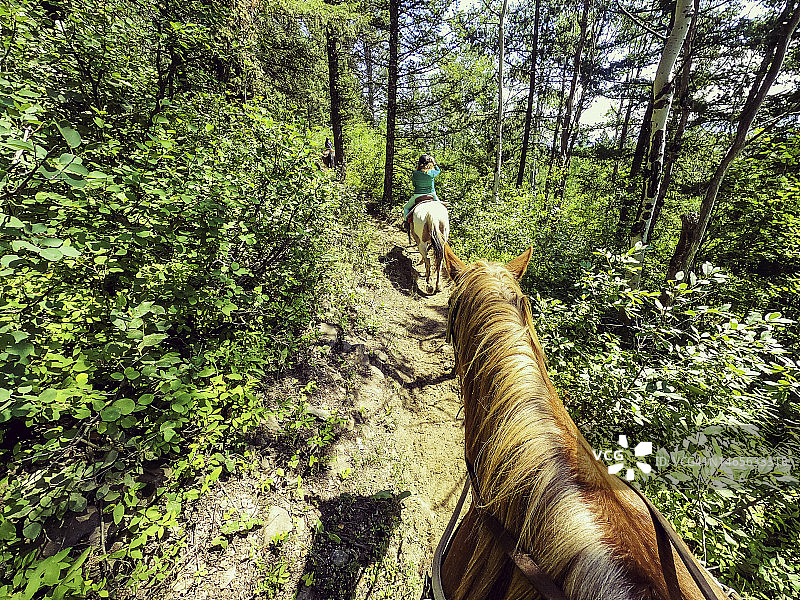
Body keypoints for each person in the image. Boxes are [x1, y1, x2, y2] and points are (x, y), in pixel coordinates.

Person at [402, 154, 440, 232]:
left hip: (418, 195)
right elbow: (438, 171)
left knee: (406, 208)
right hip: (432, 194)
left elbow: (414, 184)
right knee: (442, 206)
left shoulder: (415, 173)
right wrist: (435, 163)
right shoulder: (432, 172)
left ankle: (406, 225)